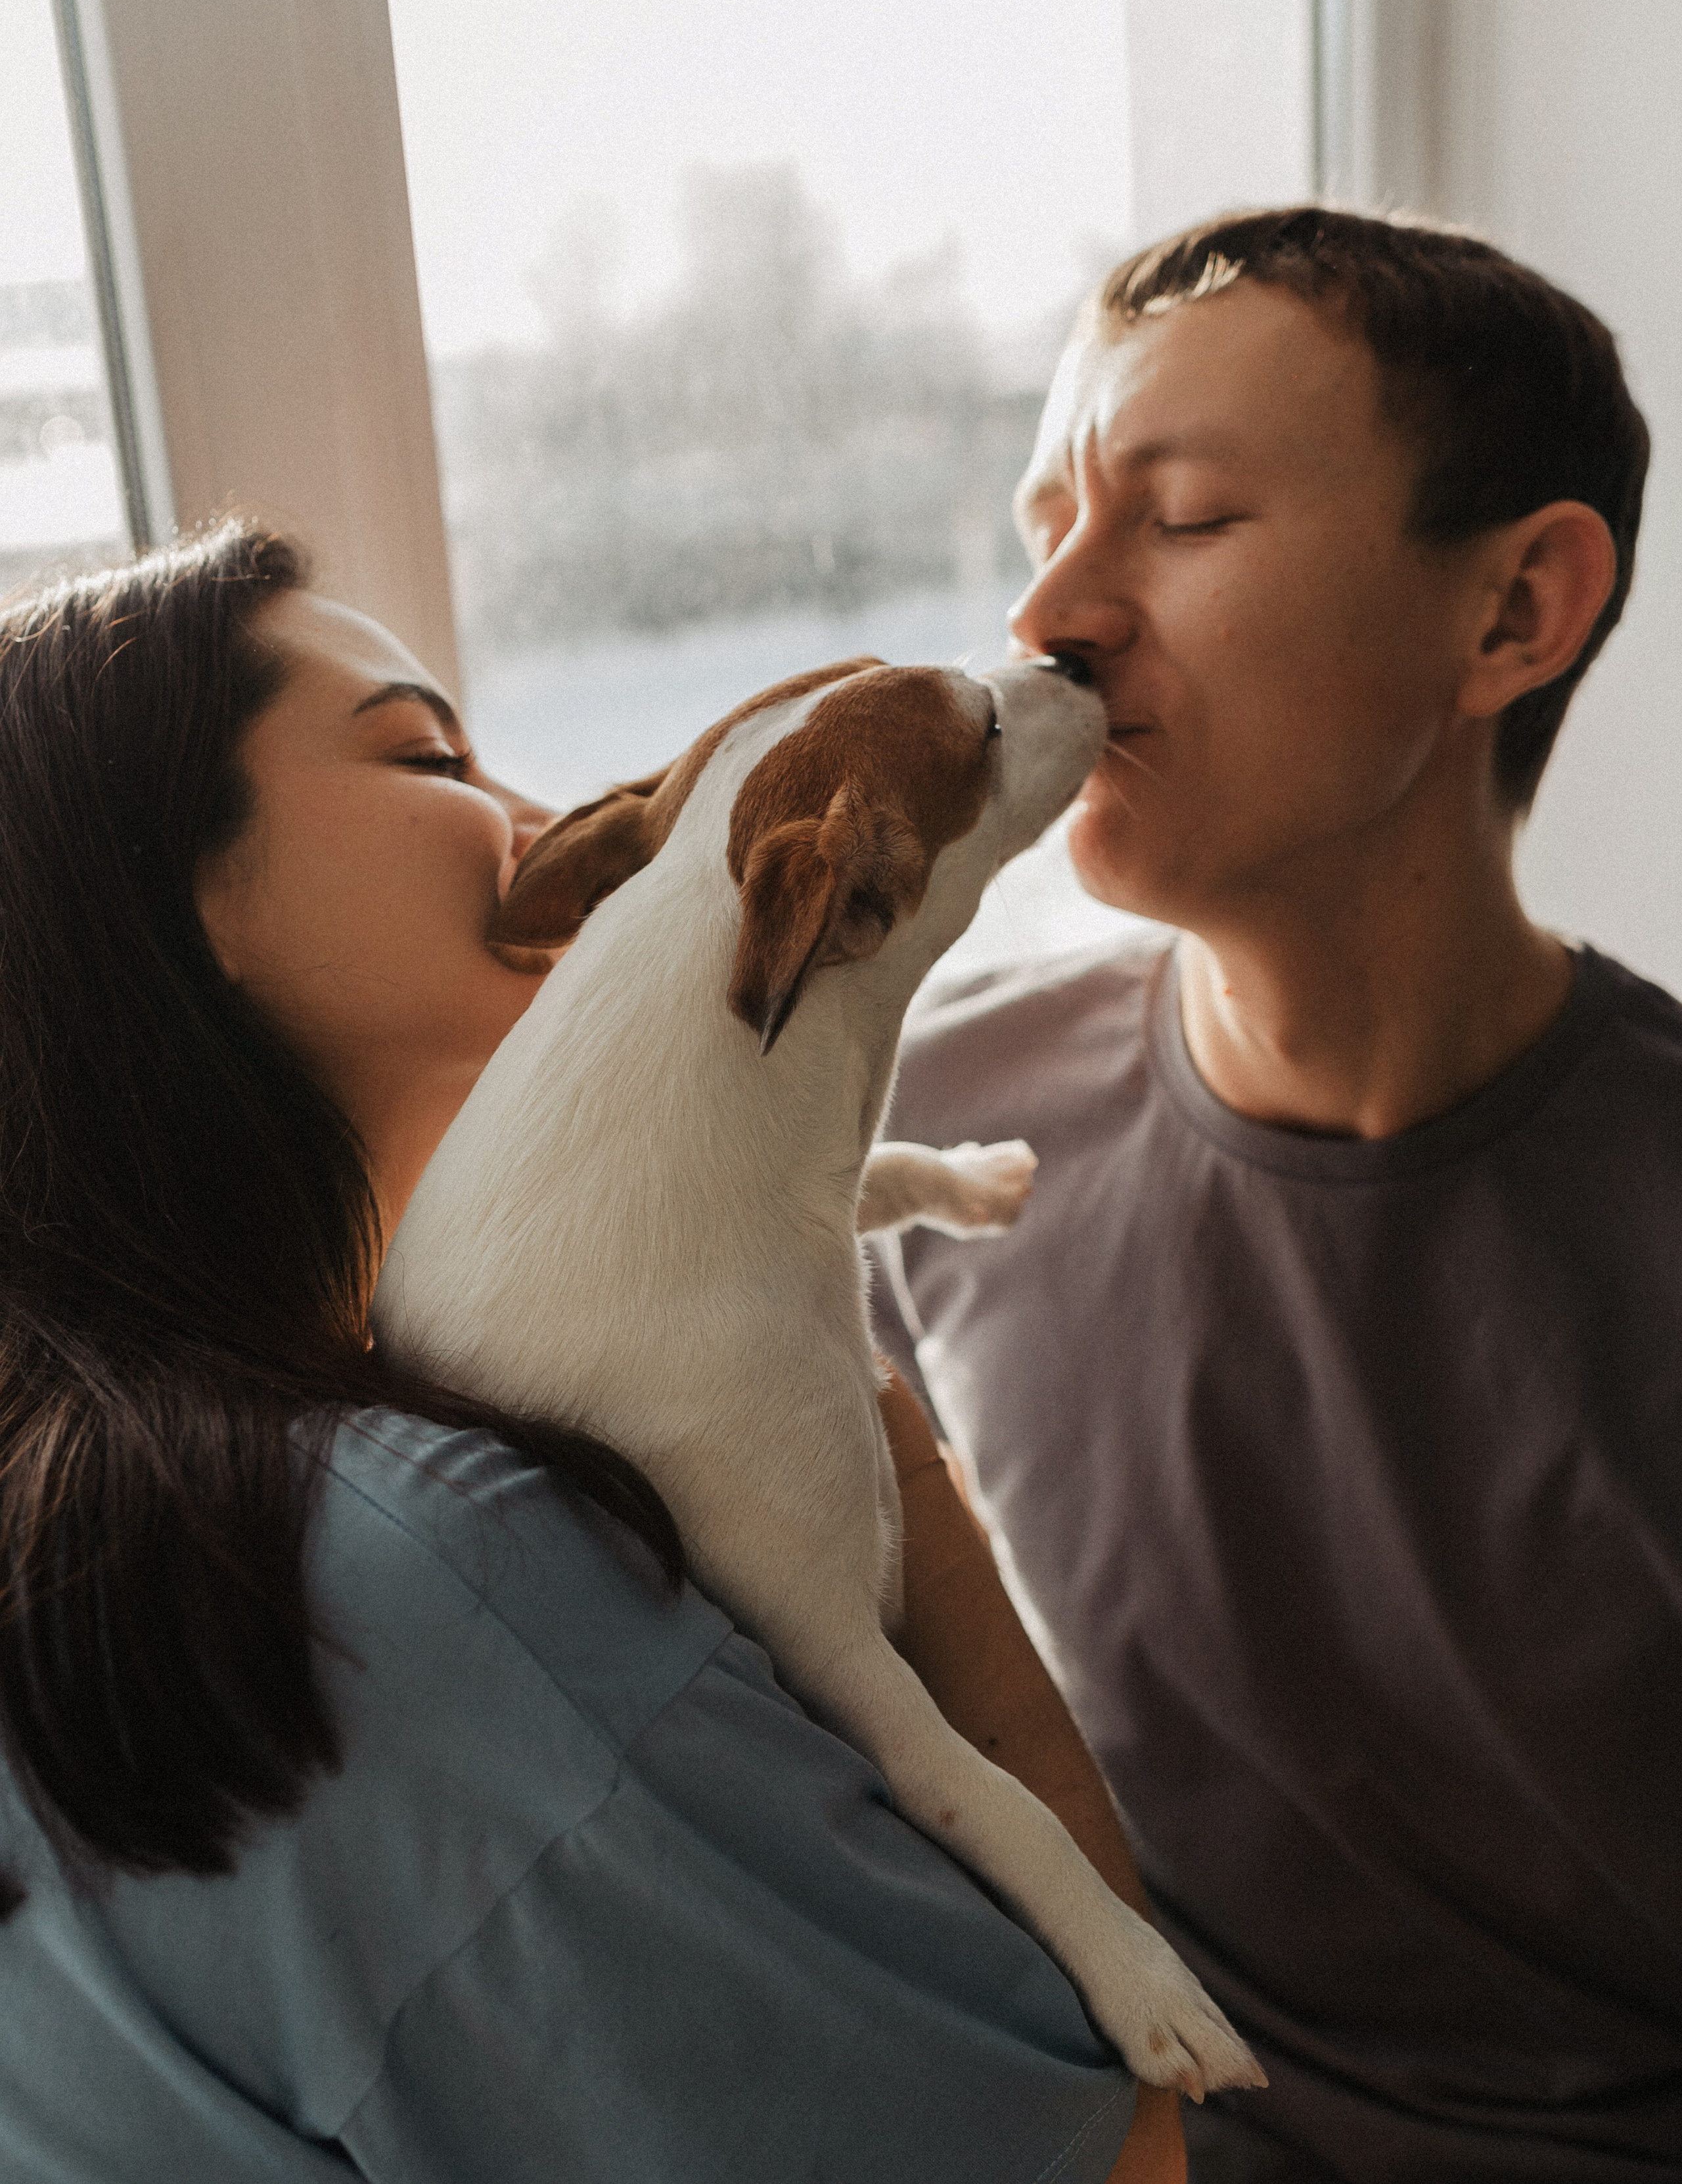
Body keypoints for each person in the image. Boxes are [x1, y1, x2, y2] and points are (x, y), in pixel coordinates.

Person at [0, 524, 1181, 2181]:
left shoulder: (103, 1503)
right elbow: (1105, 2132)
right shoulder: (423, 1578)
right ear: (190, 900)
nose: (548, 819)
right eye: (429, 753)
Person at [871, 208, 1682, 2181]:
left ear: (1513, 611)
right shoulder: (925, 1112)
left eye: (1190, 517)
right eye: (1045, 518)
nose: (1051, 615)